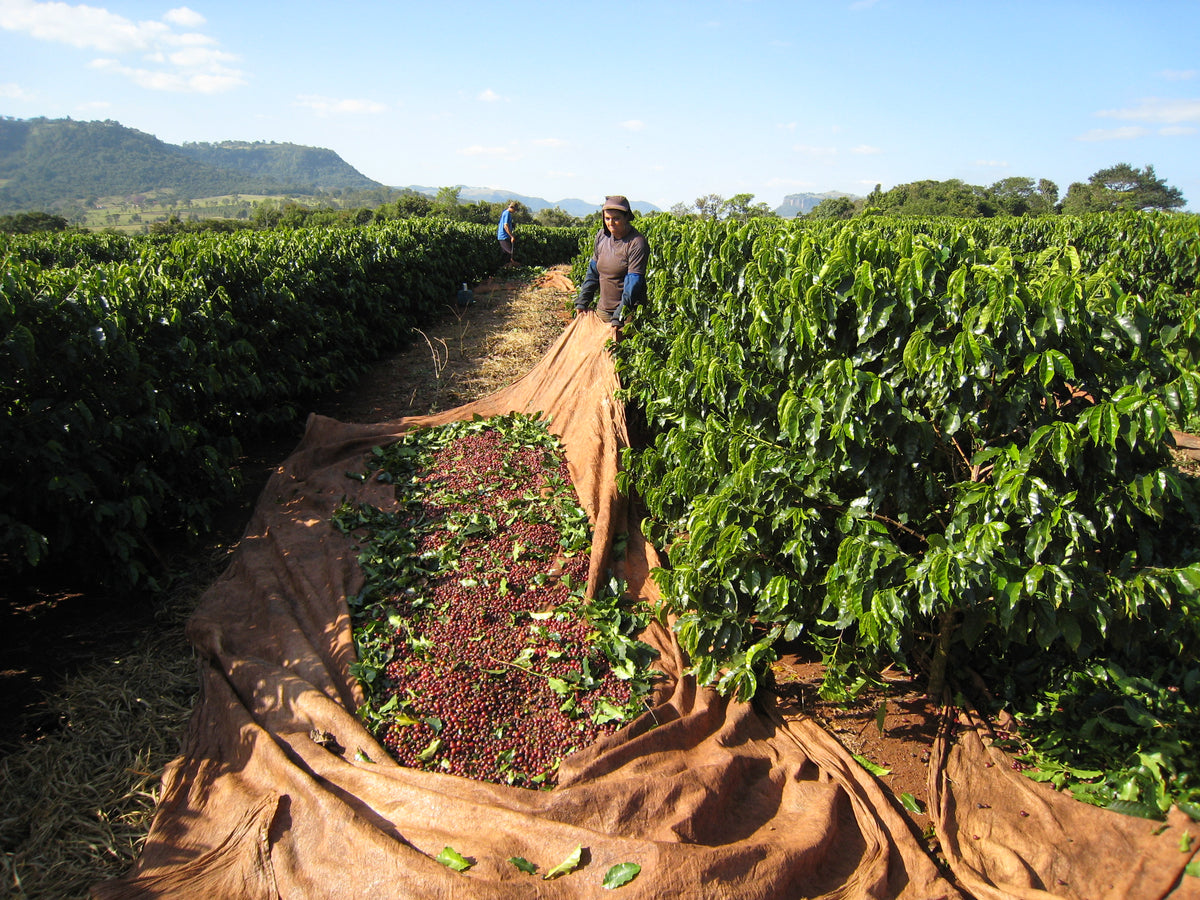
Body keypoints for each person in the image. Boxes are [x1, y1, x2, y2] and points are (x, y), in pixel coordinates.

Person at [573, 195, 649, 331]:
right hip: (603, 309)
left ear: (626, 218)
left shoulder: (636, 243)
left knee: (620, 350)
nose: (611, 223)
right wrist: (583, 301)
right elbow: (593, 272)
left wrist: (620, 315)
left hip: (627, 313)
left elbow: (633, 283)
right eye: (607, 218)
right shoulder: (602, 236)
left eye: (616, 218)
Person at [496, 200, 517, 267]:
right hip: (504, 236)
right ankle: (505, 269)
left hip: (505, 236)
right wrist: (511, 236)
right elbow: (505, 226)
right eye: (515, 209)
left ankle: (504, 269)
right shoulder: (507, 213)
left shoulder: (506, 213)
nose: (515, 211)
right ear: (512, 208)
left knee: (505, 254)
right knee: (509, 253)